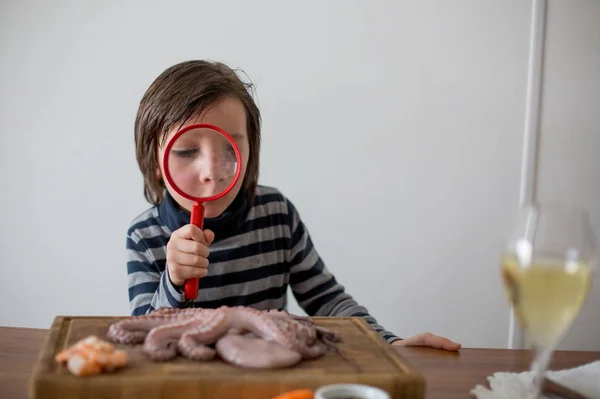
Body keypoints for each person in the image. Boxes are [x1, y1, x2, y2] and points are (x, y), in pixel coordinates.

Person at [126, 60, 460, 351]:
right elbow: (145, 338)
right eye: (186, 152)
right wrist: (173, 281)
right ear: (155, 163)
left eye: (230, 149)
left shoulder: (277, 214)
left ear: (251, 152)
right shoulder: (145, 237)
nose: (211, 173)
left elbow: (327, 300)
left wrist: (389, 344)